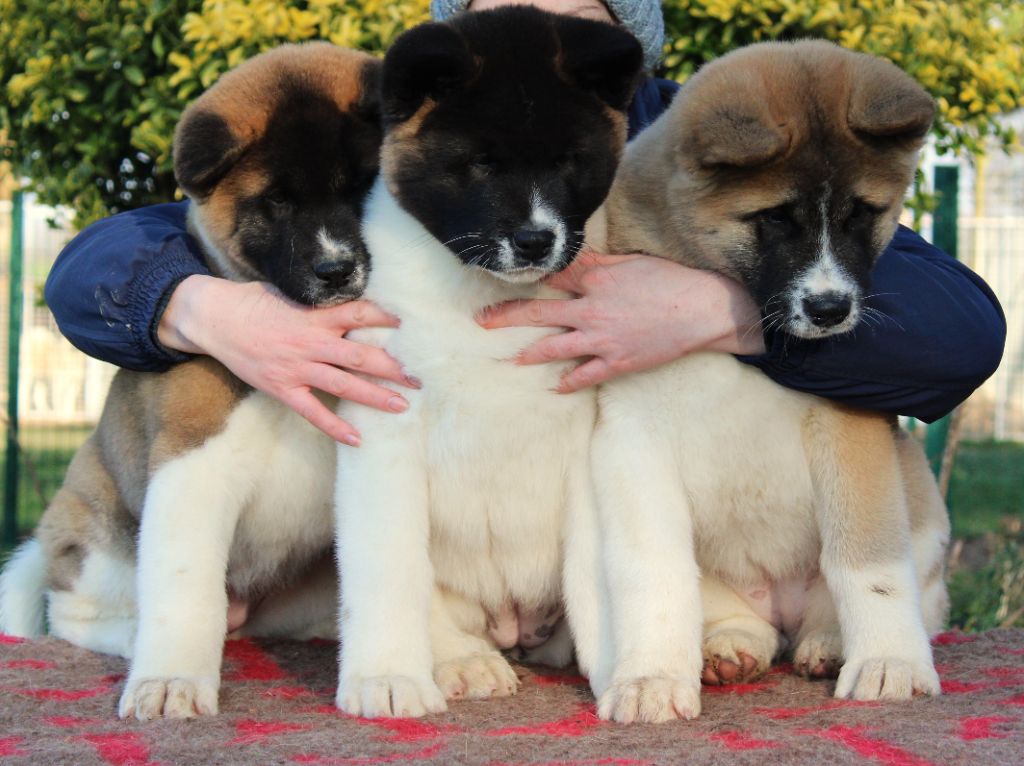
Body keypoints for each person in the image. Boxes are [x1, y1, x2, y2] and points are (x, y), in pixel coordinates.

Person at [45, 0, 1005, 448]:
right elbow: (102, 261)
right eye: (507, 10)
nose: (534, 39)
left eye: (572, 14)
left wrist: (724, 311)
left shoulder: (698, 147)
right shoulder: (415, 136)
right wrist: (201, 308)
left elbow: (954, 335)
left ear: (623, 52)